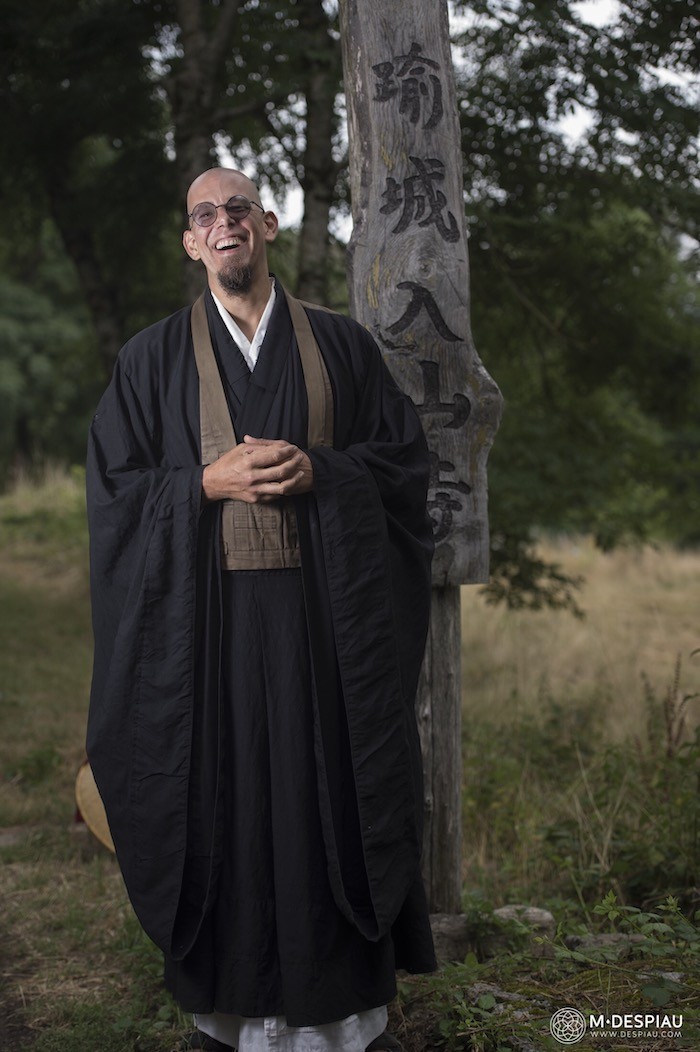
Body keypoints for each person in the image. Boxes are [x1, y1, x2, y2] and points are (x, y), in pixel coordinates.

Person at [86, 167, 436, 1052]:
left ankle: (344, 1019)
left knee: (330, 804)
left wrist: (326, 472)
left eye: (238, 206)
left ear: (268, 225)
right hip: (204, 640)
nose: (223, 222)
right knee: (224, 809)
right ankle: (229, 1014)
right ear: (190, 243)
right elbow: (115, 499)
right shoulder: (150, 360)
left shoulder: (343, 347)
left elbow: (402, 471)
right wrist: (201, 484)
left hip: (328, 634)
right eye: (204, 215)